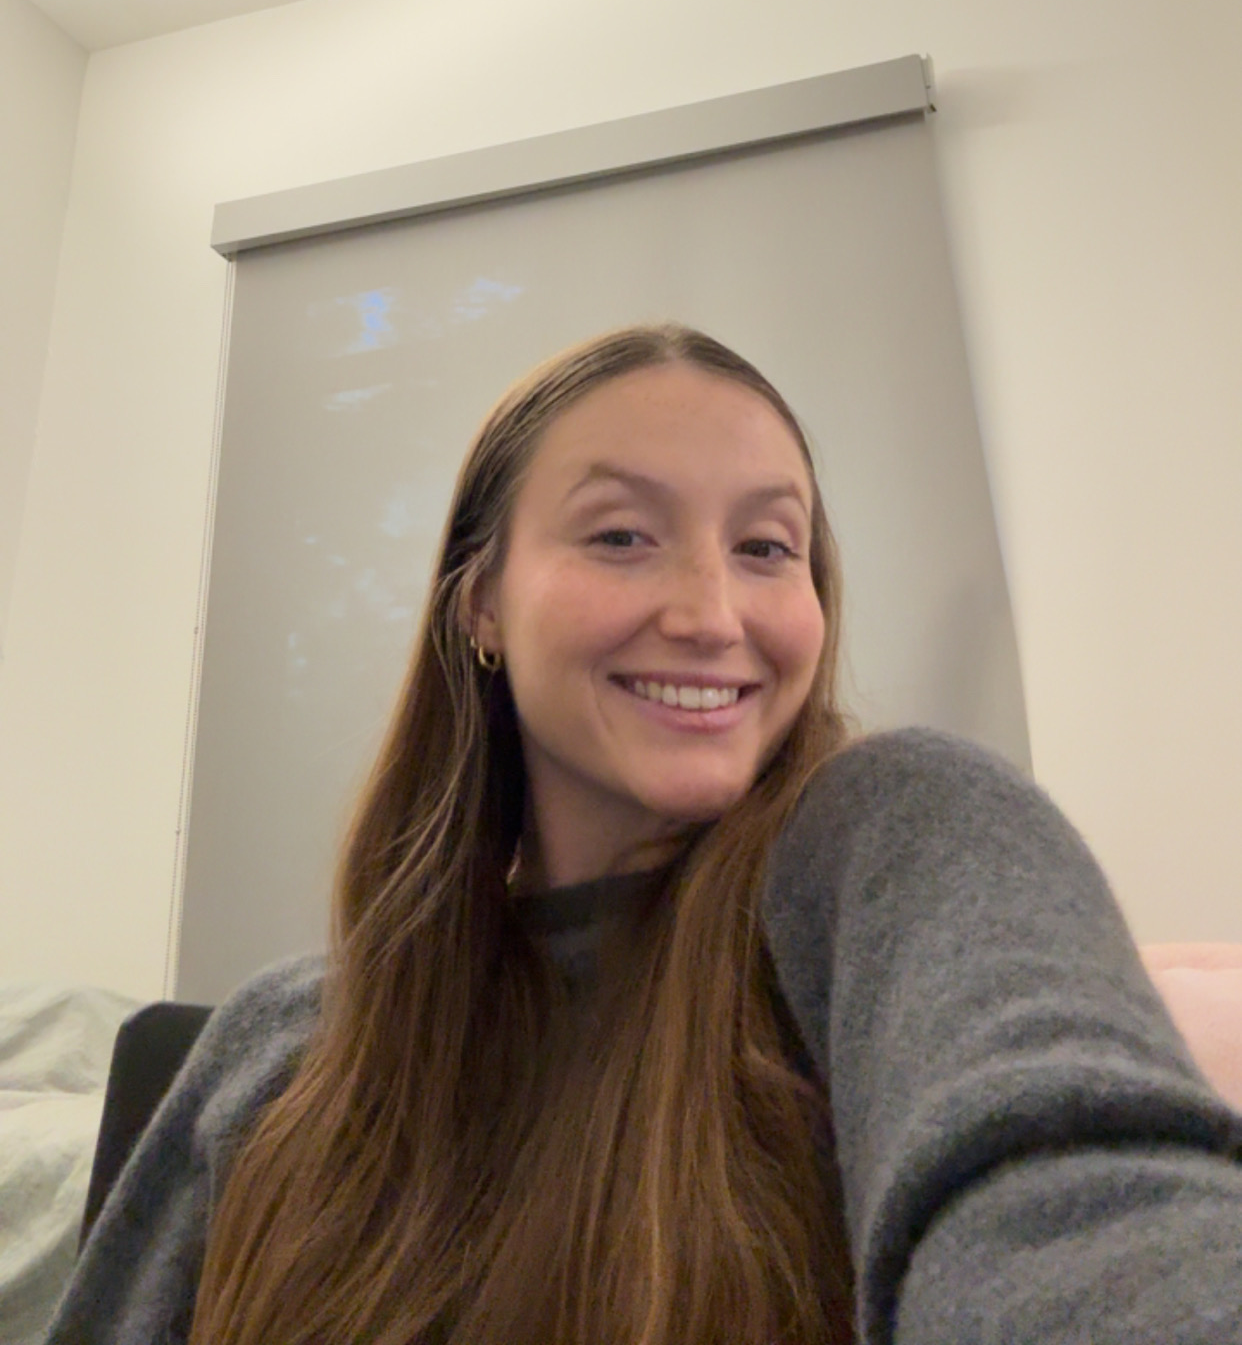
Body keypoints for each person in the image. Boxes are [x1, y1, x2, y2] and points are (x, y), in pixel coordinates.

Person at [49, 324, 1242, 1345]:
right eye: (621, 535)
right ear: (482, 602)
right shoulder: (280, 1052)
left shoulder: (907, 848)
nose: (712, 615)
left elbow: (1081, 1207)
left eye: (765, 548)